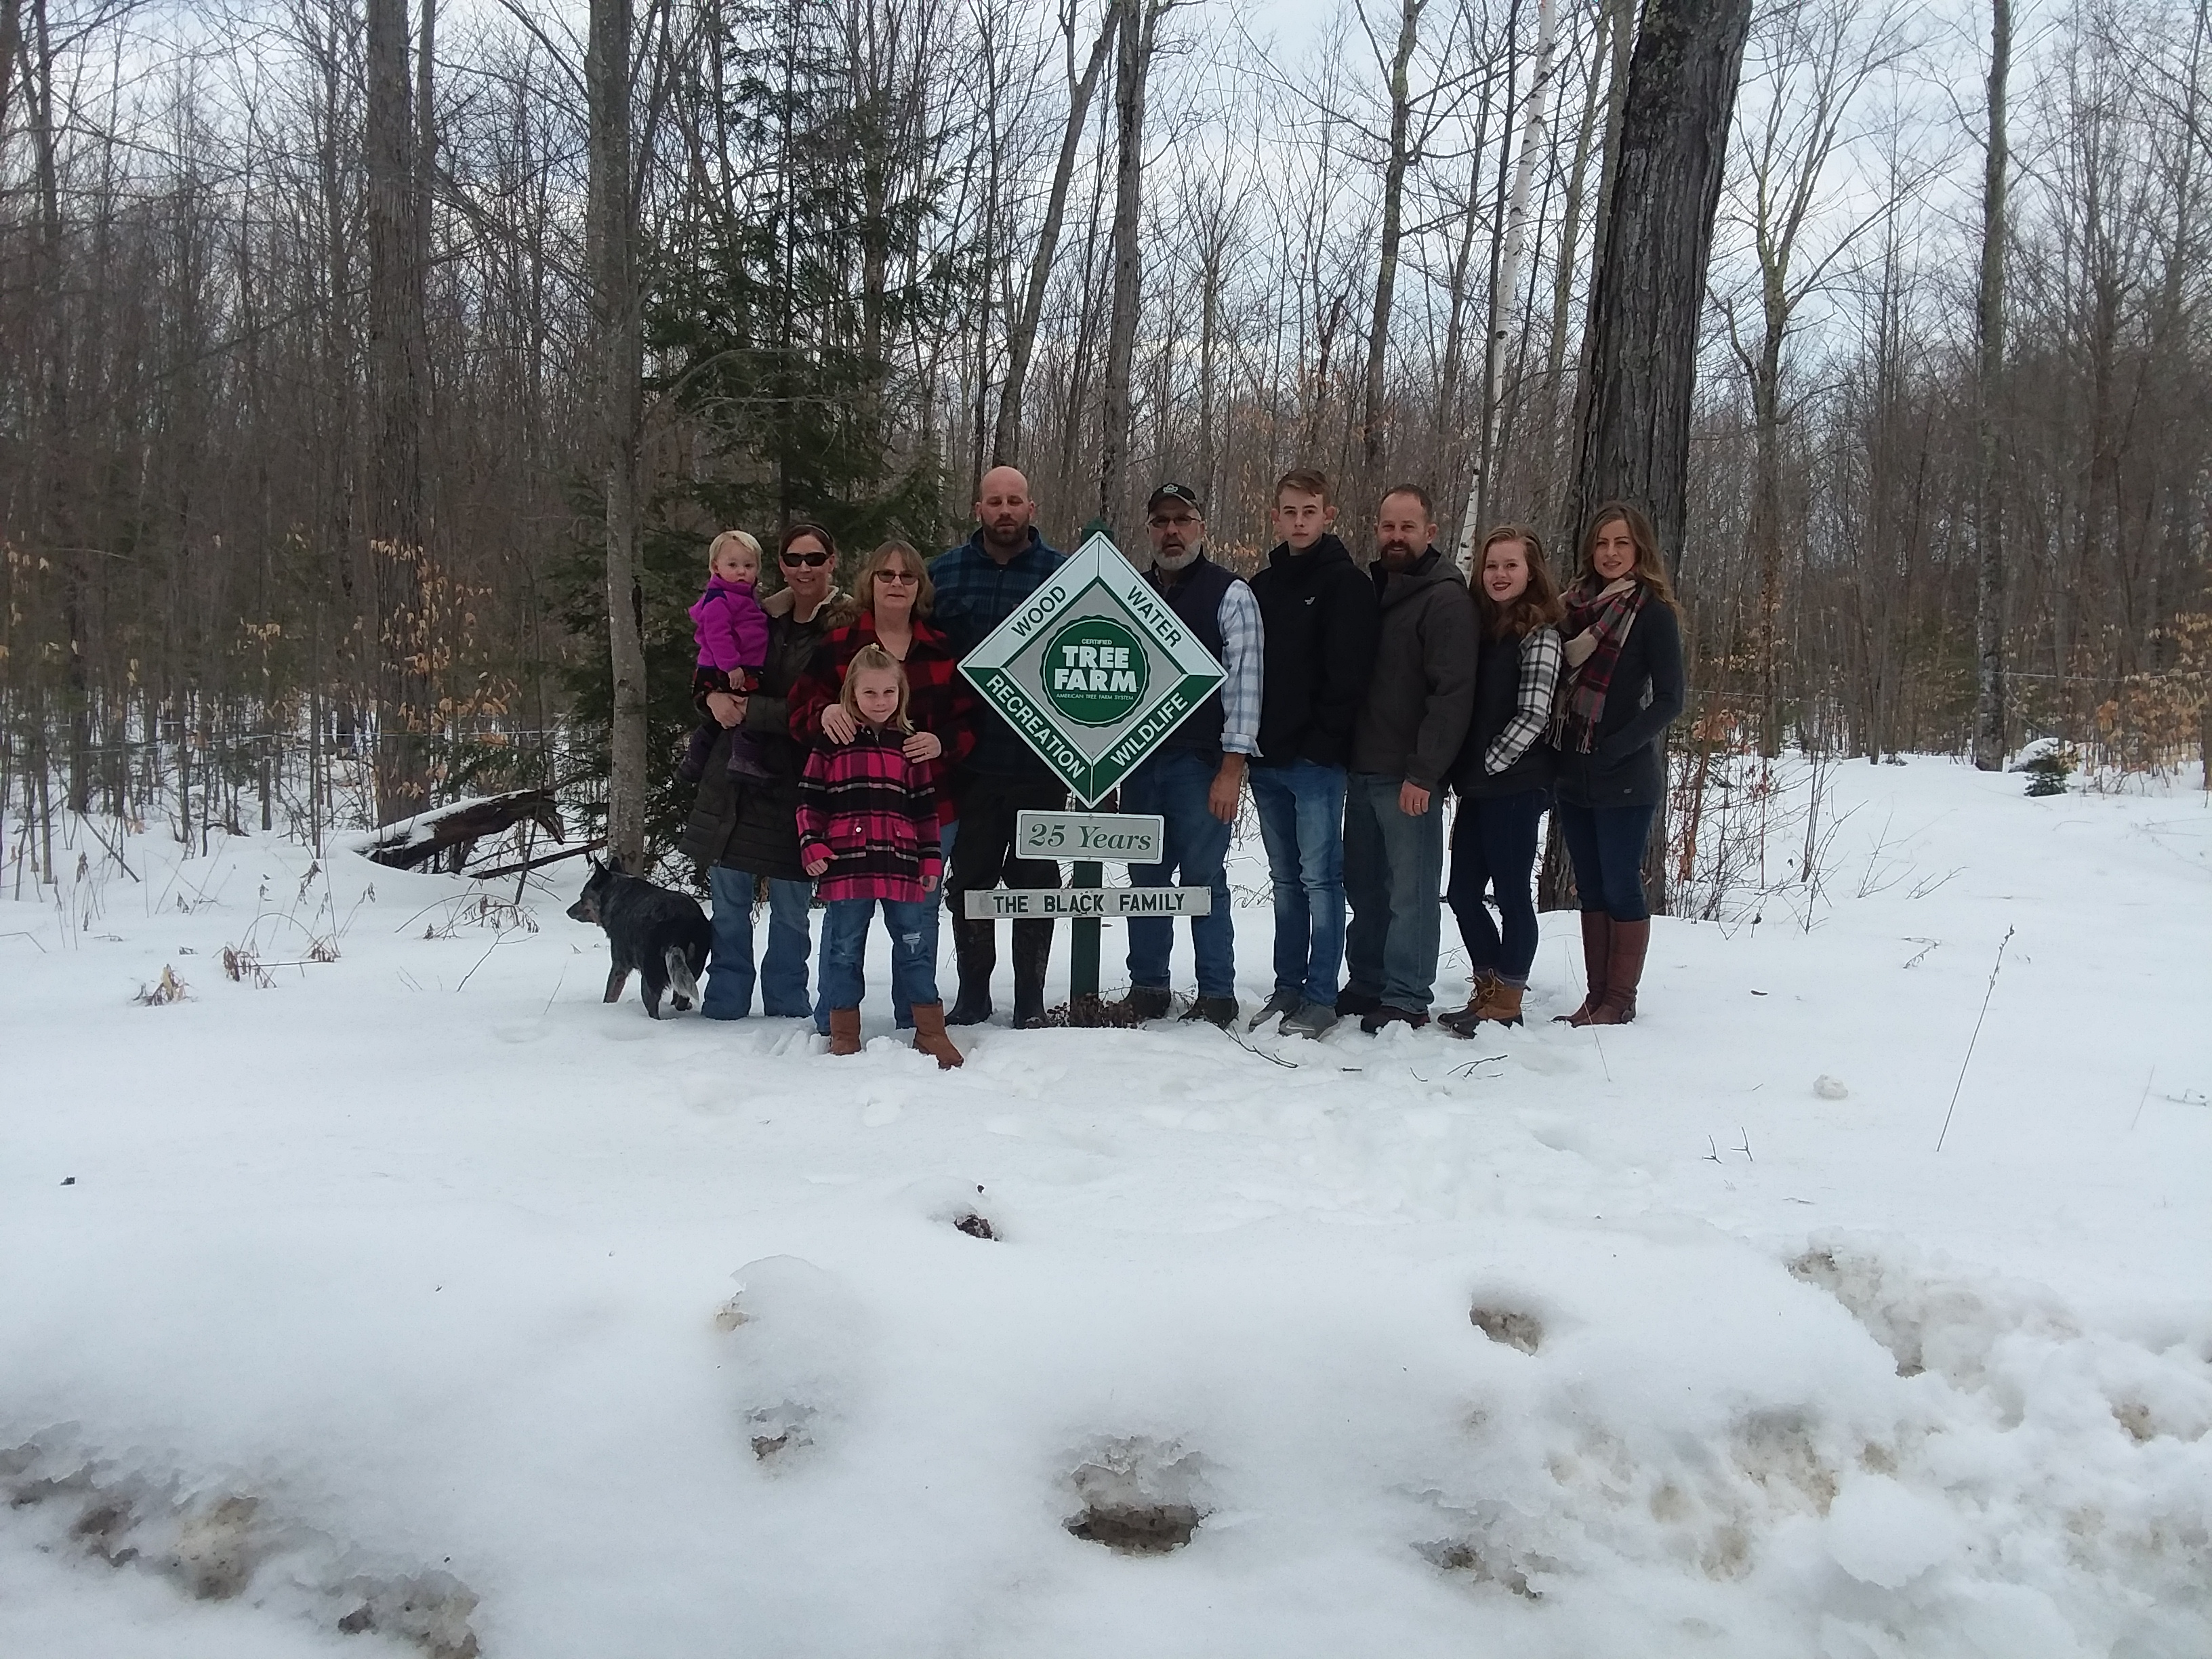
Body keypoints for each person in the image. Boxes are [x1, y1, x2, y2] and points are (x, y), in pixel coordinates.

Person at [787, 540, 979, 1031]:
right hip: (850, 811)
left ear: (920, 587)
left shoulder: (942, 648)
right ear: (869, 582)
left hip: (928, 806)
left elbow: (975, 722)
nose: (897, 584)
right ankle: (835, 1020)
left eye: (907, 577)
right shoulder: (838, 646)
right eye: (886, 575)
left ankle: (913, 1021)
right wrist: (825, 711)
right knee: (844, 920)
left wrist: (942, 743)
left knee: (918, 916)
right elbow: (797, 712)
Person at [676, 522, 845, 1020]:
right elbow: (709, 666)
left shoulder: (845, 624)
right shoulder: (754, 611)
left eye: (814, 559)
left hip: (802, 779)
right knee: (729, 900)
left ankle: (787, 1002)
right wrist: (709, 695)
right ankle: (727, 1001)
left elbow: (831, 706)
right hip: (735, 778)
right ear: (781, 565)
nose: (803, 568)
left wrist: (751, 711)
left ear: (831, 562)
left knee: (793, 907)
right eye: (793, 559)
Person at [1109, 483, 1263, 1028]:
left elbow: (1246, 686)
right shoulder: (1130, 591)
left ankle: (1217, 993)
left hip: (1200, 764)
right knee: (1146, 880)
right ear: (1149, 528)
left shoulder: (1230, 594)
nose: (1171, 531)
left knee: (1202, 881)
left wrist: (1232, 767)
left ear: (1201, 526)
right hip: (1139, 762)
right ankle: (1149, 988)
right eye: (1161, 521)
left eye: (1183, 520)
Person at [929, 466, 1068, 1028]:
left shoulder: (1065, 576)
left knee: (1035, 877)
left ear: (1031, 509)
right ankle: (973, 993)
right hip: (969, 760)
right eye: (995, 501)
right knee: (972, 878)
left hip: (1041, 762)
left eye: (1015, 501)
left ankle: (1030, 997)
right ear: (978, 509)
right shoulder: (944, 577)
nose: (1005, 510)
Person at [1245, 469, 1380, 1039]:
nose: (1299, 521)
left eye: (1309, 511)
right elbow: (1248, 671)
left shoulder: (1346, 583)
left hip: (1317, 762)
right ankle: (1289, 987)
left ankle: (1322, 995)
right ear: (1275, 517)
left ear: (1328, 516)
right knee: (1285, 881)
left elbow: (1349, 676)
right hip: (1266, 759)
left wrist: (1322, 746)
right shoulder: (1260, 586)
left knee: (1322, 880)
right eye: (1289, 511)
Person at [1338, 485, 1477, 1033]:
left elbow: (1452, 694)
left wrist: (1425, 771)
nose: (1396, 537)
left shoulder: (1445, 600)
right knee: (1366, 888)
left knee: (1410, 893)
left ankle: (1406, 994)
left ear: (1430, 533)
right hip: (1363, 766)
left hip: (1410, 776)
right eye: (1388, 527)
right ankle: (1369, 980)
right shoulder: (1377, 590)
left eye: (1407, 528)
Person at [1548, 502, 1685, 1025]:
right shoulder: (1571, 608)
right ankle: (1597, 995)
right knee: (1590, 882)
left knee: (1621, 881)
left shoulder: (1653, 614)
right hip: (1572, 769)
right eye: (1602, 544)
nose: (1610, 553)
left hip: (1624, 774)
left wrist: (1618, 746)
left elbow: (1671, 699)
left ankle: (1620, 1001)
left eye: (1621, 544)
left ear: (1639, 549)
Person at [798, 647, 962, 1069]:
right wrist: (811, 844)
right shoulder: (832, 743)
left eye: (889, 691)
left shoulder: (909, 746)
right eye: (869, 692)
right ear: (851, 693)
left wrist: (931, 862)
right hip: (847, 866)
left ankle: (930, 1030)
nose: (879, 700)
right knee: (843, 951)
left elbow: (926, 811)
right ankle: (844, 1034)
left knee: (915, 947)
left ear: (900, 693)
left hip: (902, 866)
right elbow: (809, 801)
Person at [1439, 526, 1565, 1034]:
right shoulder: (1482, 629)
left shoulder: (1541, 635)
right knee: (1464, 893)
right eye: (1492, 566)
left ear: (1531, 573)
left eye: (1511, 566)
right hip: (1478, 786)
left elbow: (1533, 714)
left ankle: (1507, 999)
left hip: (1515, 784)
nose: (1499, 575)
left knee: (1512, 894)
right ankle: (1488, 986)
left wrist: (1489, 763)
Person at [680, 530, 773, 783]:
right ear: (715, 567)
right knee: (747, 711)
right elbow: (717, 636)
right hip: (725, 669)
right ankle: (744, 759)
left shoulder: (745, 598)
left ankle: (695, 760)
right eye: (733, 565)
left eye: (749, 565)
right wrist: (731, 666)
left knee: (718, 721)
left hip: (736, 666)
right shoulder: (719, 599)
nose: (742, 572)